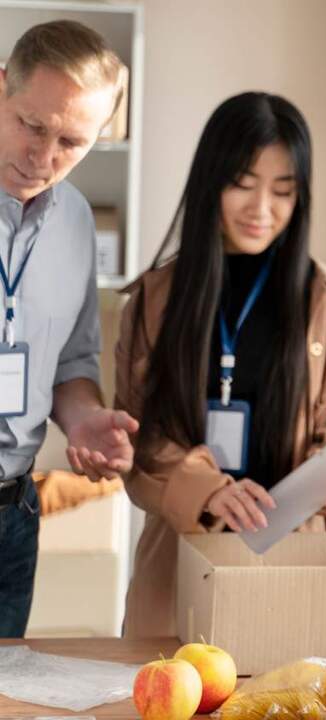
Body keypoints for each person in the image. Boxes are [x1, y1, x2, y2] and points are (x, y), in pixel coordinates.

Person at [115, 92, 326, 637]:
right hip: (179, 568)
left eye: (283, 190)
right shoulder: (153, 300)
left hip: (296, 574)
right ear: (210, 182)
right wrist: (209, 489)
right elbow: (137, 445)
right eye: (242, 183)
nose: (261, 208)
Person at [0, 20, 140, 638]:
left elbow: (69, 366)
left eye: (72, 142)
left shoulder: (76, 220)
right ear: (2, 88)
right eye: (33, 125)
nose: (44, 156)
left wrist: (87, 420)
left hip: (13, 515)